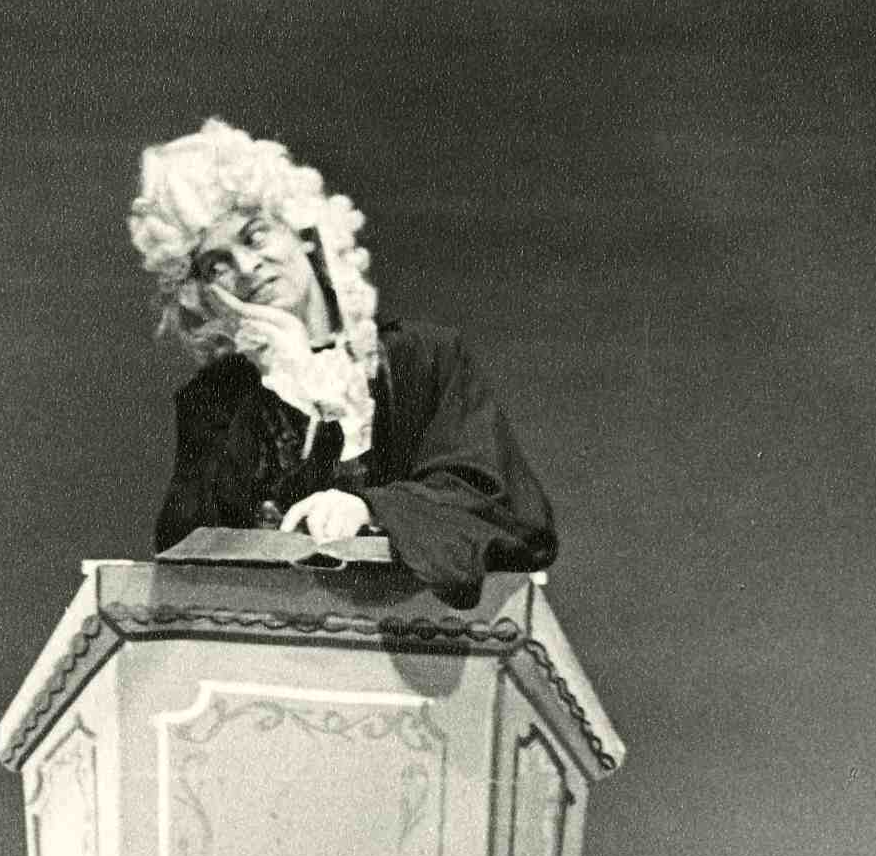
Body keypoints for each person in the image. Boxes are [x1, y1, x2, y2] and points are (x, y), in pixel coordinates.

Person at [131, 118, 558, 606]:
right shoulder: (219, 400)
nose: (245, 268)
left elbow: (503, 509)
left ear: (302, 233)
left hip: (418, 634)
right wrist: (284, 378)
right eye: (216, 265)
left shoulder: (425, 357)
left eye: (255, 236)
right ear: (204, 291)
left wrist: (369, 507)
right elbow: (189, 552)